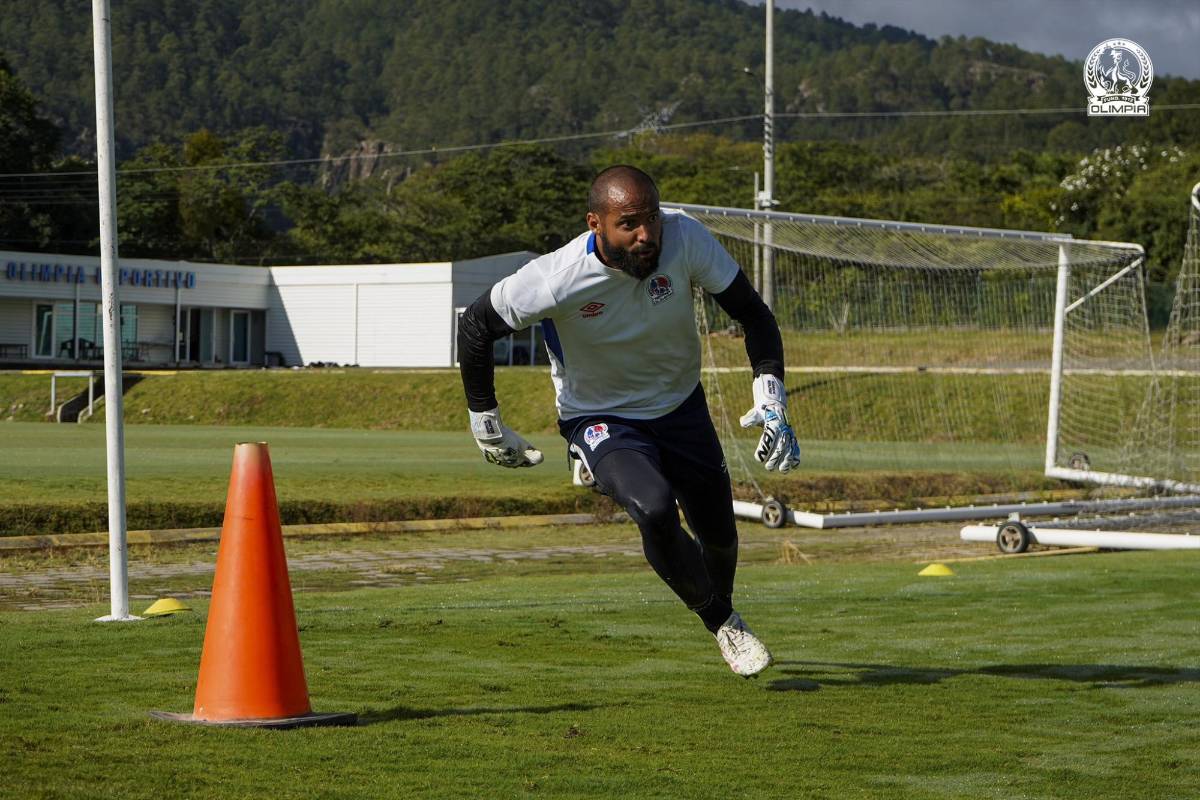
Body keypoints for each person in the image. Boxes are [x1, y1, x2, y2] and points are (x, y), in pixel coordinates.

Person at [457, 165, 800, 677]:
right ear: (595, 223)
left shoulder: (685, 238)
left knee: (721, 539)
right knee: (655, 507)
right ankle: (722, 621)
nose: (647, 235)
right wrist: (485, 419)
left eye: (653, 219)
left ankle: (719, 609)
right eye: (630, 224)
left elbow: (753, 314)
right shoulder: (555, 277)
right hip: (600, 415)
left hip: (682, 406)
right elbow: (476, 326)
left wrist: (770, 393)